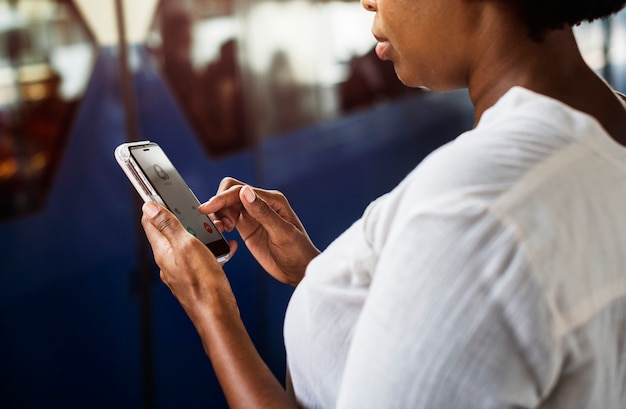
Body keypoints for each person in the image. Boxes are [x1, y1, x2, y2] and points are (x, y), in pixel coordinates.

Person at [140, 0, 626, 407]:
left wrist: (208, 304)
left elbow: (478, 261)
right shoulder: (603, 130)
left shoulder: (474, 209)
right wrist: (320, 275)